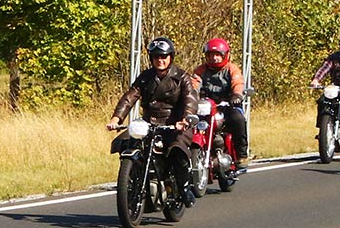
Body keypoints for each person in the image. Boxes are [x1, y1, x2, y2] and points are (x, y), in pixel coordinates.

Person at [107, 37, 197, 199]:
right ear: (151, 58)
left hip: (174, 124)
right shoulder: (145, 77)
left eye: (164, 56)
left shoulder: (182, 77)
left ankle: (184, 188)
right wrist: (116, 118)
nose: (160, 60)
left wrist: (185, 119)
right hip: (148, 123)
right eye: (156, 57)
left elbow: (190, 99)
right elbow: (130, 97)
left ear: (171, 57)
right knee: (125, 142)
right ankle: (132, 179)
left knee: (178, 150)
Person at [191, 37, 249, 167]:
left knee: (238, 119)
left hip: (227, 105)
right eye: (211, 55)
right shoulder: (200, 70)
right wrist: (190, 97)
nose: (214, 58)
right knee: (189, 121)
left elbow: (238, 82)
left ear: (225, 55)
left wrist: (236, 96)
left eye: (218, 55)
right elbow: (194, 85)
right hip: (206, 106)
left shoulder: (231, 69)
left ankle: (242, 155)